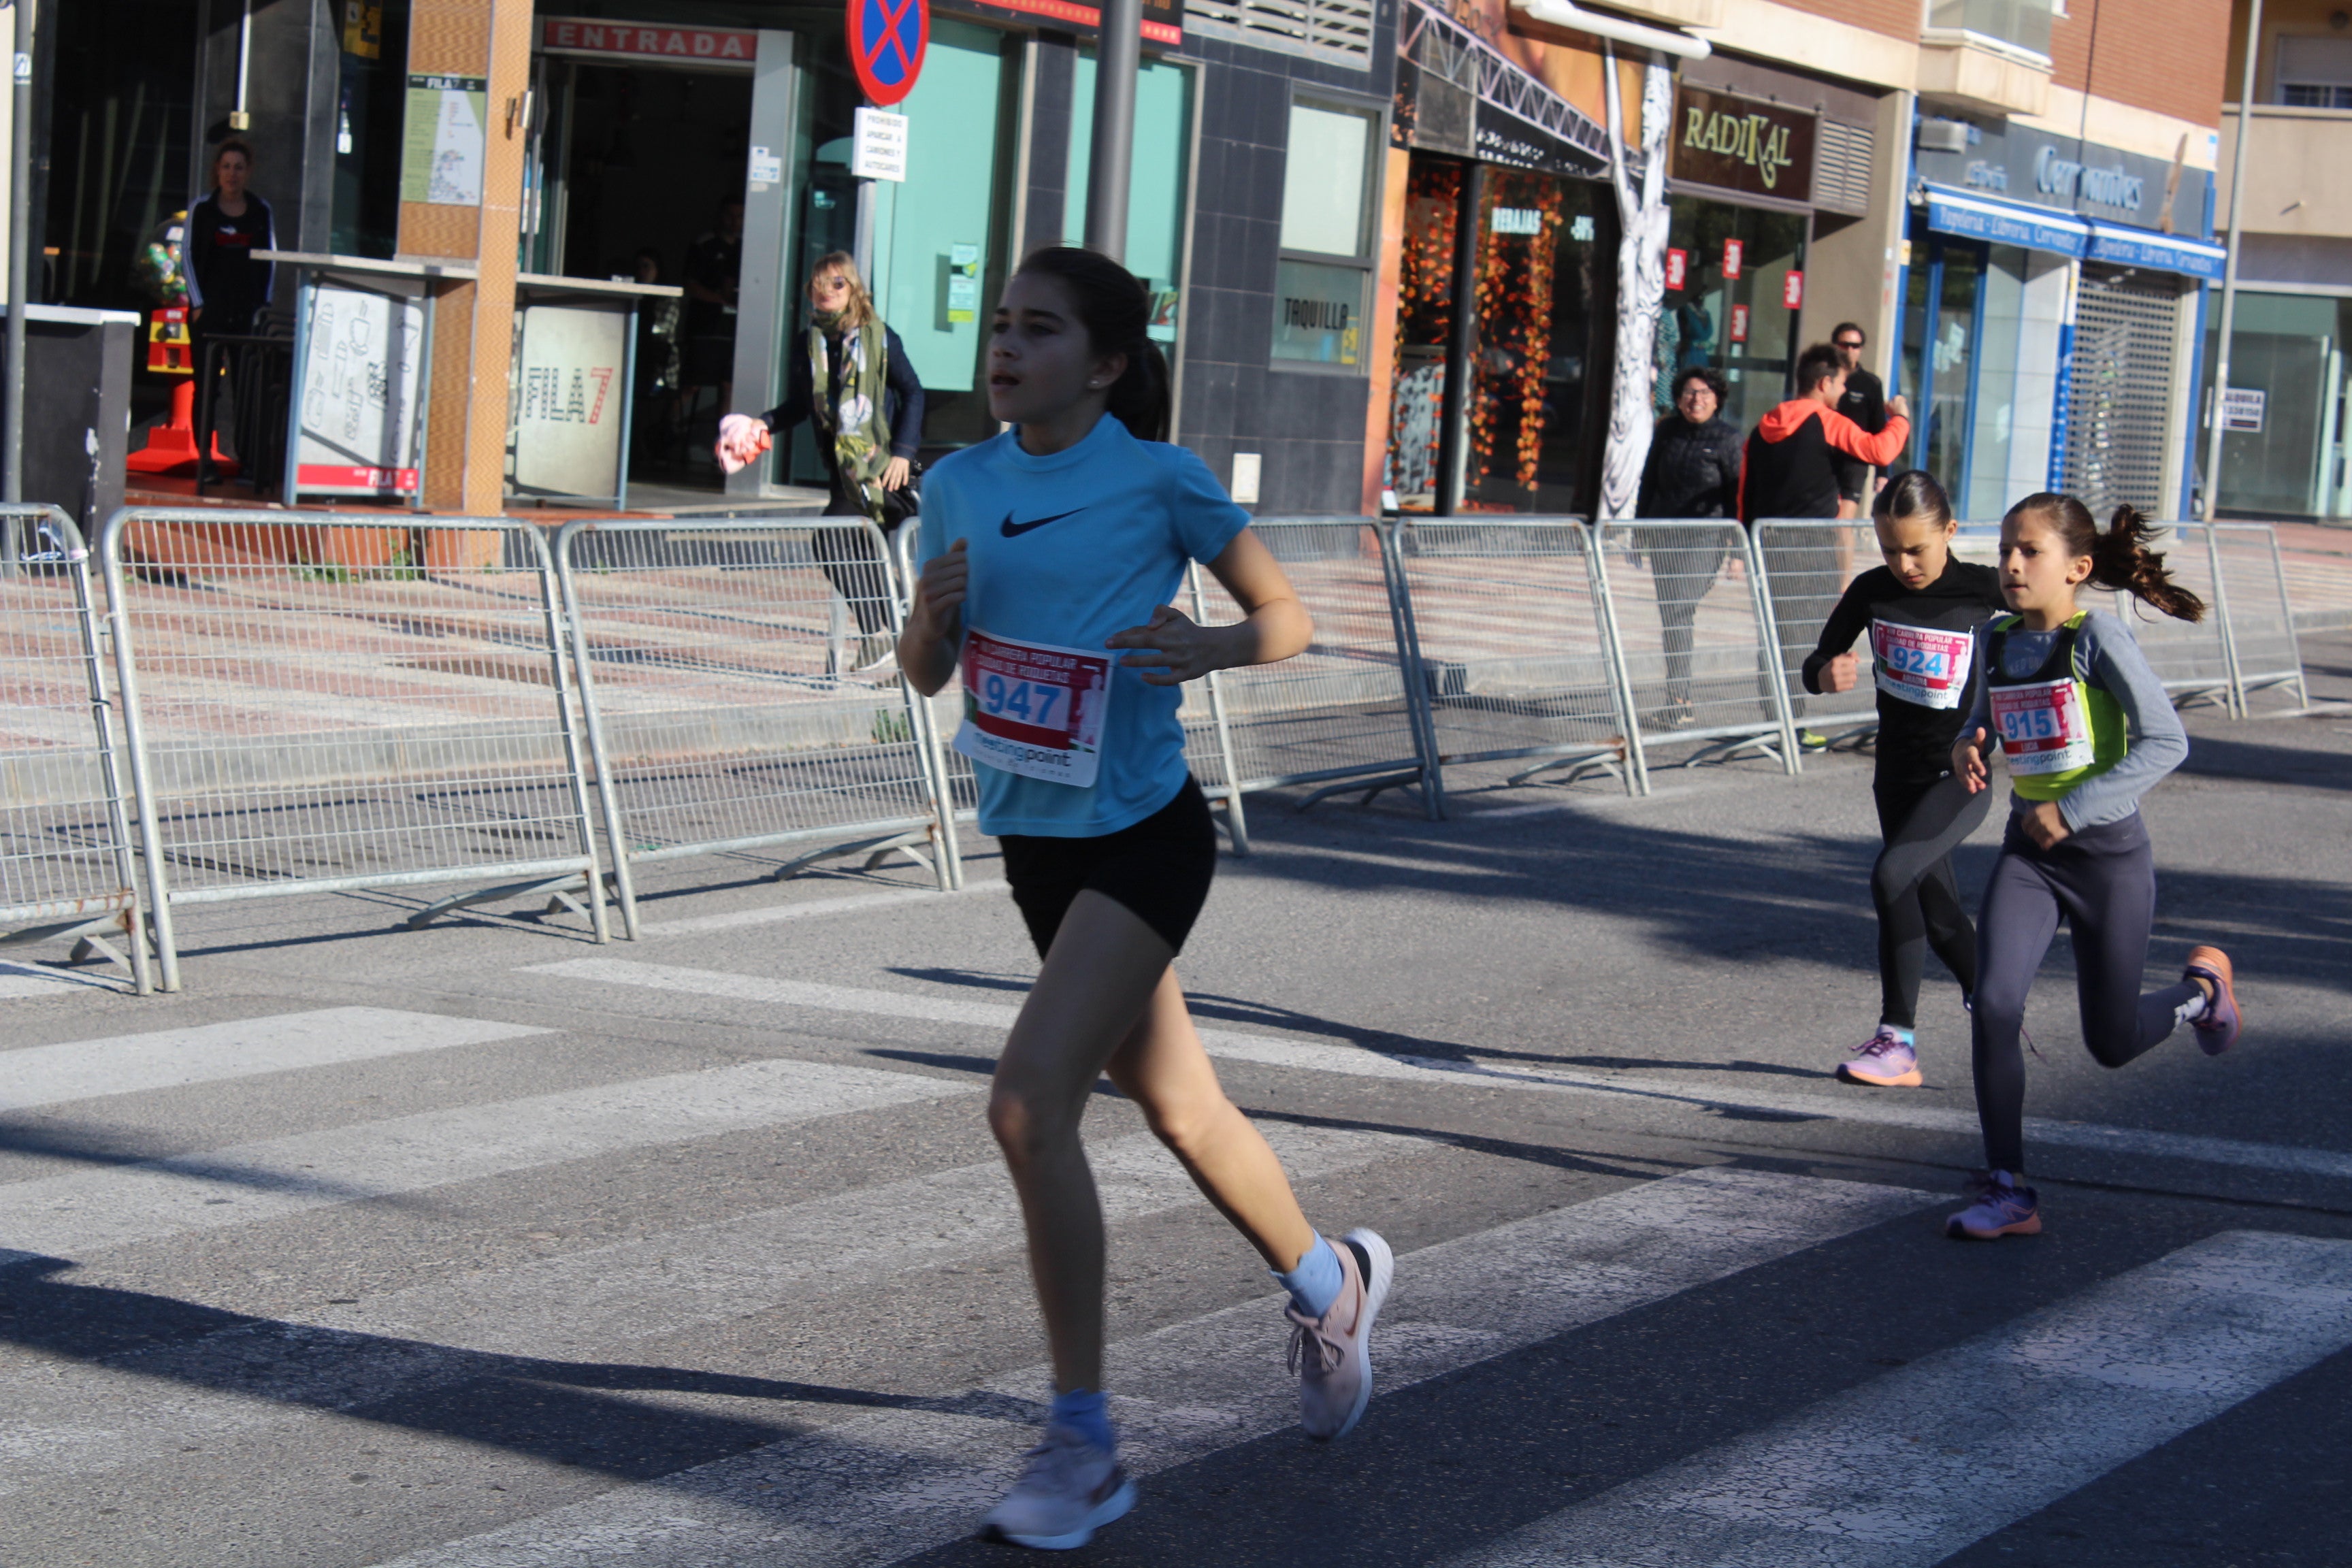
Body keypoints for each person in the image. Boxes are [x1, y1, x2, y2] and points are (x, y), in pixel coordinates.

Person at [898, 245, 1391, 1549]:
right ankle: (1330, 1281)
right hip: (1036, 841)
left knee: (1025, 1102)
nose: (1006, 346)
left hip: (1144, 834)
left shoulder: (1157, 478)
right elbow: (924, 675)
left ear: (1106, 362)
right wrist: (931, 623)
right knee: (1178, 1102)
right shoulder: (956, 483)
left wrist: (1208, 644)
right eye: (1001, 324)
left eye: (1040, 329)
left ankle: (1085, 1442)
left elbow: (1285, 616)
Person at [1944, 494, 2240, 1240]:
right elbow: (1988, 712)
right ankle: (2009, 1187)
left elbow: (2165, 743)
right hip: (2029, 857)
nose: (2011, 564)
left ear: (2076, 569)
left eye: (2030, 552)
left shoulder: (2096, 638)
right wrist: (1970, 742)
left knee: (2110, 1044)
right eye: (2007, 548)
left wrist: (2073, 810)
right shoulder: (1998, 637)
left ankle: (2201, 995)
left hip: (2106, 857)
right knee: (1996, 1001)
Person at [1799, 471, 2008, 1088]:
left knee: (1893, 874)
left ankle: (1898, 1039)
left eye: (1917, 548)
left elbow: (2053, 606)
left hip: (1958, 774)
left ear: (1949, 531)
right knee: (1937, 912)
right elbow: (1816, 661)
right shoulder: (1871, 591)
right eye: (1890, 549)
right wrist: (1824, 675)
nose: (1905, 563)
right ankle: (1995, 1000)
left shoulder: (1984, 589)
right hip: (1895, 775)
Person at [715, 252, 924, 668]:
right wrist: (763, 424)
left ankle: (891, 634)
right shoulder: (808, 342)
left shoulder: (880, 338)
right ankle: (894, 636)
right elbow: (802, 404)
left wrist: (903, 453)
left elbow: (914, 392)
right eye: (818, 284)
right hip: (842, 470)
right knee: (857, 550)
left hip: (878, 468)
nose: (826, 292)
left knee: (837, 540)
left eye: (837, 284)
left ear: (854, 289)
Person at [1741, 342, 1912, 738]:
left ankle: (1774, 720)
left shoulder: (1764, 425)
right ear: (1823, 383)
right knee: (1804, 632)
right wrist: (1900, 419)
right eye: (1840, 385)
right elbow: (1878, 448)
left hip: (1766, 544)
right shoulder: (1824, 419)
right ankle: (1793, 724)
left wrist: (1744, 539)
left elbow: (1744, 490)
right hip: (1810, 548)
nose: (1842, 394)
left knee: (1773, 628)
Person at [1635, 365, 1744, 726]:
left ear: (1717, 400)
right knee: (1672, 614)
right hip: (1665, 534)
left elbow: (1737, 496)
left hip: (1705, 537)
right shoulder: (1667, 430)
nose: (1695, 400)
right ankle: (1677, 697)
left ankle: (1679, 697)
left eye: (1704, 394)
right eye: (1689, 393)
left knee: (1680, 607)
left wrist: (1737, 552)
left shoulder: (1728, 439)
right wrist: (1639, 532)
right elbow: (1649, 480)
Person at [184, 138, 276, 480]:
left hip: (247, 314)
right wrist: (198, 304)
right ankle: (205, 460)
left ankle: (247, 460)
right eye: (226, 167)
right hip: (209, 313)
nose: (232, 174)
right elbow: (188, 258)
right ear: (217, 171)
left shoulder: (260, 210)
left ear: (248, 172)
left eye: (239, 167)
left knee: (247, 388)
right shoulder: (203, 209)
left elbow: (270, 261)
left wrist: (262, 309)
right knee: (206, 387)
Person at [677, 200, 745, 439]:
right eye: (730, 216)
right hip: (705, 326)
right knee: (691, 385)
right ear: (720, 216)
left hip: (733, 329)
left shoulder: (745, 247)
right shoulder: (704, 245)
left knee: (728, 387)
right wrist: (720, 300)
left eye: (740, 217)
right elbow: (691, 285)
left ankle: (722, 448)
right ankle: (661, 435)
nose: (735, 222)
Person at [1829, 322, 1889, 520]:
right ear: (1835, 346)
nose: (1849, 350)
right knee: (1823, 515)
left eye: (1855, 346)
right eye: (1844, 345)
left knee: (1844, 519)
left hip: (1856, 460)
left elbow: (1878, 426)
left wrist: (1882, 473)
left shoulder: (1870, 384)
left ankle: (1844, 552)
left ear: (1861, 349)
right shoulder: (1825, 379)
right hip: (1825, 455)